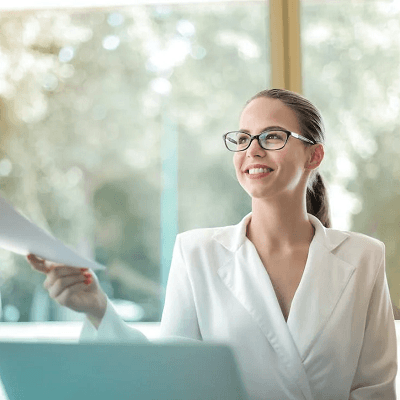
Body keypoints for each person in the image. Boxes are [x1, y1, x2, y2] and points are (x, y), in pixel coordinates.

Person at [27, 88, 397, 399]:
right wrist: (97, 309)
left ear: (313, 155)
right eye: (242, 138)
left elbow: (376, 389)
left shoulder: (363, 257)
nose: (252, 149)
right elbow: (169, 380)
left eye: (272, 136)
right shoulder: (196, 253)